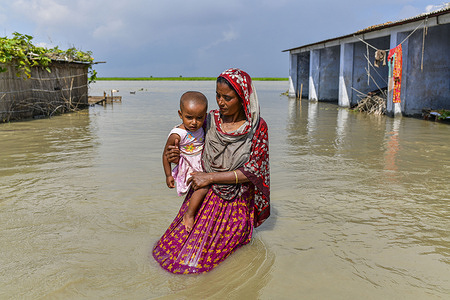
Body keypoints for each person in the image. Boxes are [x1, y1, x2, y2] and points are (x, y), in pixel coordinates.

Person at [153, 68, 270, 274]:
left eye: (227, 97)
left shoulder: (257, 127)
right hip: (202, 193)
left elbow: (253, 171)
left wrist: (210, 177)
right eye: (217, 95)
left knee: (206, 261)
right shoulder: (208, 120)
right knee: (171, 254)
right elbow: (191, 149)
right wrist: (174, 156)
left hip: (234, 201)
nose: (220, 102)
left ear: (242, 98)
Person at [162, 91, 209, 232]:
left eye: (199, 118)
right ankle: (189, 214)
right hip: (187, 166)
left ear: (205, 117)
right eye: (189, 117)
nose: (194, 122)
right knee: (203, 187)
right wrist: (168, 175)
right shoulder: (177, 134)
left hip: (200, 162)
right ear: (180, 114)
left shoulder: (203, 127)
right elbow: (165, 154)